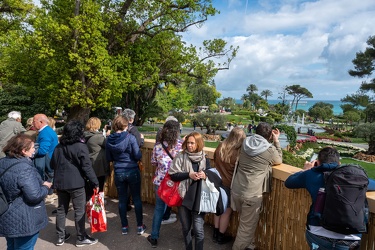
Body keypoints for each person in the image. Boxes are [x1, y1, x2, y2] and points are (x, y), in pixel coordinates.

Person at [285, 147, 375, 249]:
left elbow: (289, 182)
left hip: (318, 234)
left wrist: (305, 170)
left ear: (318, 162)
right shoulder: (353, 177)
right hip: (350, 238)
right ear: (339, 163)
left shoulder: (311, 174)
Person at [231, 122, 282, 250]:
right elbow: (279, 160)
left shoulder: (245, 142)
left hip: (237, 189)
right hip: (252, 193)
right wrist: (276, 141)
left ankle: (249, 245)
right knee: (246, 227)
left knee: (244, 222)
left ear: (255, 131)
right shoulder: (269, 150)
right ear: (270, 135)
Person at [51, 120, 99, 247]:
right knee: (79, 210)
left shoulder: (58, 147)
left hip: (61, 182)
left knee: (61, 209)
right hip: (76, 183)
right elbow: (87, 167)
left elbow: (52, 164)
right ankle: (81, 237)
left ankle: (61, 236)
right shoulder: (81, 146)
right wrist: (95, 182)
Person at [0, 134, 52, 249]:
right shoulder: (24, 168)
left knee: (11, 246)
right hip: (24, 218)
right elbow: (34, 195)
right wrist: (45, 187)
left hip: (6, 214)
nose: (34, 150)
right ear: (24, 151)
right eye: (33, 147)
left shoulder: (2, 162)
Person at [168, 132, 211, 250]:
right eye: (188, 143)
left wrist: (205, 174)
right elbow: (173, 175)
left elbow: (210, 175)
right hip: (183, 198)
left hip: (198, 198)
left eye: (192, 143)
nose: (189, 146)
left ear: (198, 144)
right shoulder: (180, 156)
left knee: (198, 230)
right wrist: (189, 175)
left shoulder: (204, 158)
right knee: (186, 228)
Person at [106, 115, 146, 235]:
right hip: (132, 169)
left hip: (118, 171)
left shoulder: (109, 139)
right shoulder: (130, 138)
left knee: (122, 200)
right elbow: (138, 155)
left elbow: (109, 157)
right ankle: (140, 226)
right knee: (137, 199)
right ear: (125, 125)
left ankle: (124, 226)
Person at [147, 120, 183, 247]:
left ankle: (154, 236)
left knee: (158, 209)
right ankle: (187, 235)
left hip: (161, 182)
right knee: (181, 209)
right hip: (177, 182)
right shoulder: (182, 146)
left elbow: (153, 163)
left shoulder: (158, 147)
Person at [213, 127, 246, 244]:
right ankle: (221, 236)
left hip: (216, 182)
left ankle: (215, 232)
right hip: (229, 184)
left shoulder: (220, 146)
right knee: (226, 212)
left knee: (218, 209)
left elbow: (214, 159)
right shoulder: (238, 152)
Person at [84, 117, 110, 197]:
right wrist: (107, 134)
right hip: (98, 165)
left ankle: (90, 201)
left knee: (90, 184)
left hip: (89, 162)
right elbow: (107, 145)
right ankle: (97, 203)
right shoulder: (98, 137)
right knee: (99, 184)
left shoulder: (86, 135)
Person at [32, 114, 59, 183]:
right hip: (50, 163)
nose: (32, 124)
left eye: (34, 121)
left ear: (41, 122)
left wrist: (31, 152)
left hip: (47, 166)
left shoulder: (45, 133)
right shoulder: (48, 130)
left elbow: (43, 150)